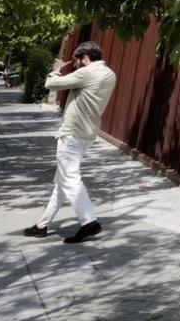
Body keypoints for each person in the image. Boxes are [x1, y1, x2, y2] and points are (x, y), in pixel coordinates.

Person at [23, 41, 117, 244]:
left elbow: (51, 84)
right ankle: (42, 225)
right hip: (88, 133)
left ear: (86, 57)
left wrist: (56, 70)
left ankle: (89, 222)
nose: (74, 65)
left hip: (72, 133)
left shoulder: (87, 72)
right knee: (62, 181)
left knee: (70, 178)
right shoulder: (109, 74)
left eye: (76, 61)